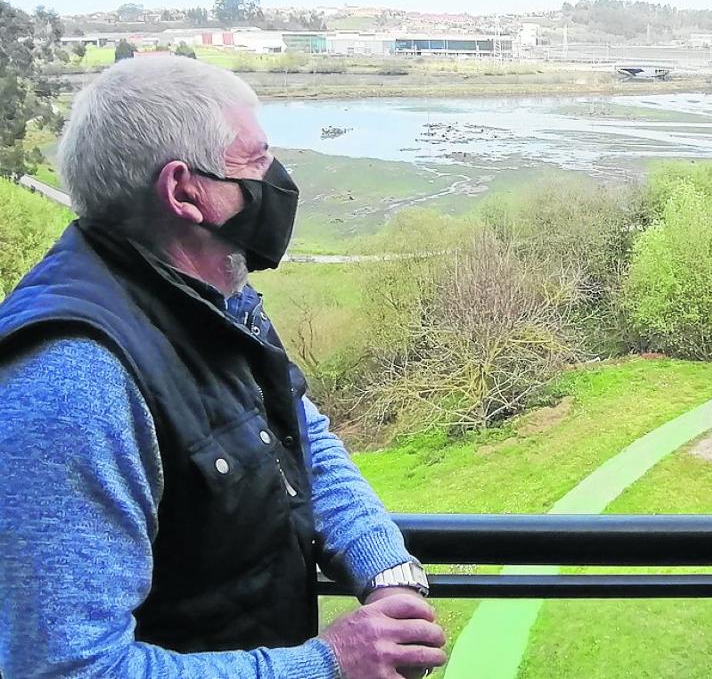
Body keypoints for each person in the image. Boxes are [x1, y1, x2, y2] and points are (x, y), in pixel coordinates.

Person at [0, 57, 446, 678]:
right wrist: (325, 664)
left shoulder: (211, 296)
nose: (277, 179)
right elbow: (68, 668)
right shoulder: (76, 379)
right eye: (256, 160)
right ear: (185, 190)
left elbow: (299, 438)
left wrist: (385, 571)